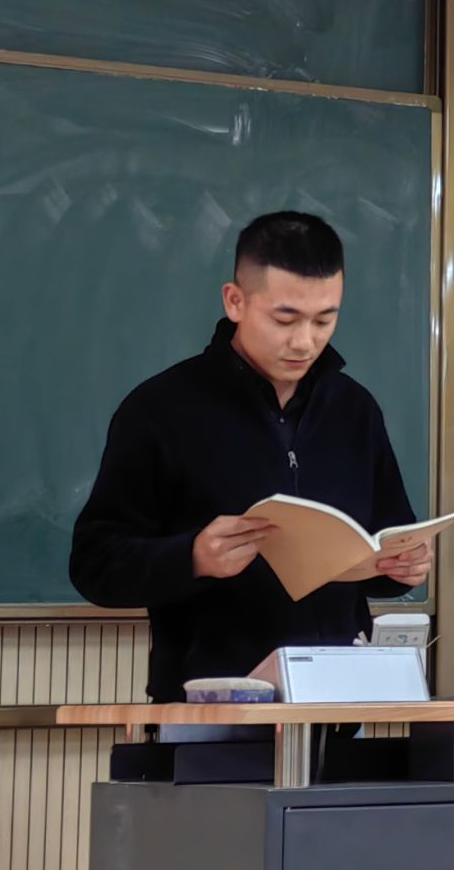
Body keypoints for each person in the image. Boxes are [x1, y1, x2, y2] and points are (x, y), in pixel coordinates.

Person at [69, 211, 430, 703]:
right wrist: (192, 557)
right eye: (285, 319)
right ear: (235, 301)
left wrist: (402, 566)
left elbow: (384, 542)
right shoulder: (160, 409)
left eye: (325, 319)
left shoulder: (354, 409)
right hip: (211, 706)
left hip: (341, 698)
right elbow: (95, 564)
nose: (305, 341)